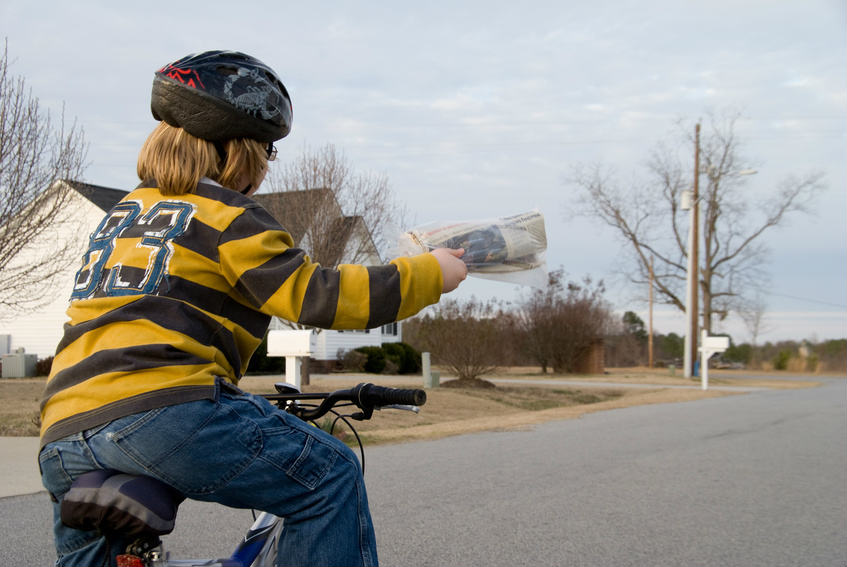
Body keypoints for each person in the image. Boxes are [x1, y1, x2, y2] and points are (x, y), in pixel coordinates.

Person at [38, 50, 467, 567]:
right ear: (238, 149)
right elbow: (317, 295)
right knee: (328, 477)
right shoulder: (226, 214)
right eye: (268, 151)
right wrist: (431, 273)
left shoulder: (123, 217)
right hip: (164, 410)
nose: (266, 166)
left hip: (61, 432)